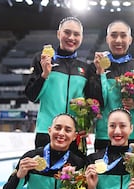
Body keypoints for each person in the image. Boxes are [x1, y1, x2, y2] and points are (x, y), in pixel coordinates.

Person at [24, 16, 92, 153]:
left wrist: (88, 125)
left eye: (76, 34)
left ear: (82, 37)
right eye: (67, 32)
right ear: (58, 33)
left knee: (75, 174)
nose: (71, 37)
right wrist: (44, 74)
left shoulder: (86, 68)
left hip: (74, 134)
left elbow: (90, 104)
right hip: (47, 132)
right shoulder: (42, 59)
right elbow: (31, 96)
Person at [90, 20, 134, 151]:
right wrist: (99, 73)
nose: (118, 40)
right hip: (105, 133)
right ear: (107, 39)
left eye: (123, 35)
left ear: (130, 39)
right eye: (114, 35)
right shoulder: (96, 66)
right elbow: (94, 100)